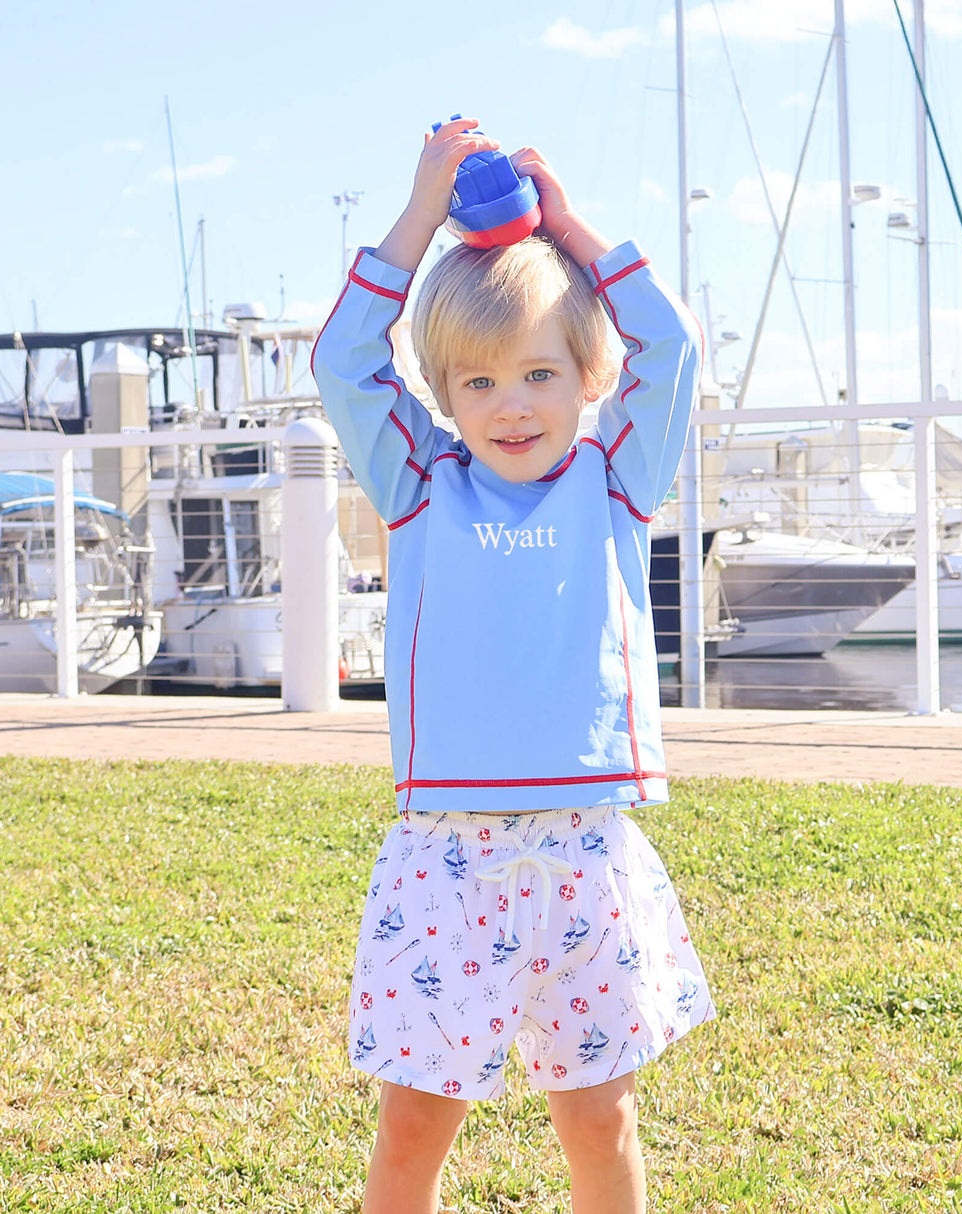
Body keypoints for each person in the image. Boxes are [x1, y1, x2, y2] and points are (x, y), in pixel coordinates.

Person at [311, 116, 715, 1214]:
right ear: (443, 394)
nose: (512, 403)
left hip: (588, 853)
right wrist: (417, 216)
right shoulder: (419, 489)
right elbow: (342, 359)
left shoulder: (614, 481)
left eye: (539, 372)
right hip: (446, 861)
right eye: (478, 381)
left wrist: (573, 232)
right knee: (408, 1137)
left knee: (599, 1121)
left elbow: (669, 349)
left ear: (587, 376)